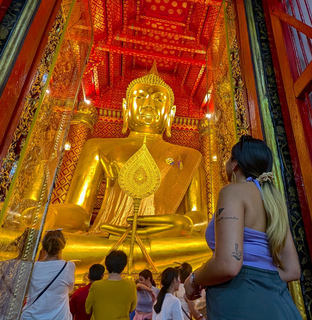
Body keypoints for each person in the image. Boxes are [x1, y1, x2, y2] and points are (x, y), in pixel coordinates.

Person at [13, 64, 211, 279]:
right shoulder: (98, 146)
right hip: (106, 238)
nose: (148, 105)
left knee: (211, 248)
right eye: (141, 97)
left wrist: (185, 223)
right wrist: (50, 214)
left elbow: (200, 215)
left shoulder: (188, 156)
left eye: (159, 100)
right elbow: (80, 213)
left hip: (163, 241)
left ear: (170, 113)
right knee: (23, 239)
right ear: (126, 107)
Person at [184, 136, 302, 319]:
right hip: (279, 303)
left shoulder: (232, 191)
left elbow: (228, 264)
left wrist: (194, 279)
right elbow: (292, 270)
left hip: (241, 302)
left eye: (228, 158)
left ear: (235, 164)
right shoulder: (273, 200)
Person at [21, 229, 76, 320]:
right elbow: (70, 289)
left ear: (43, 246)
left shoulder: (32, 267)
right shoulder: (68, 266)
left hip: (30, 316)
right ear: (63, 245)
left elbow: (26, 291)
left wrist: (38, 260)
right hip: (58, 317)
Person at [85, 250, 136, 320]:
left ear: (106, 265)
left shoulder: (96, 286)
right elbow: (132, 308)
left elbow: (87, 309)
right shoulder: (131, 285)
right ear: (124, 266)